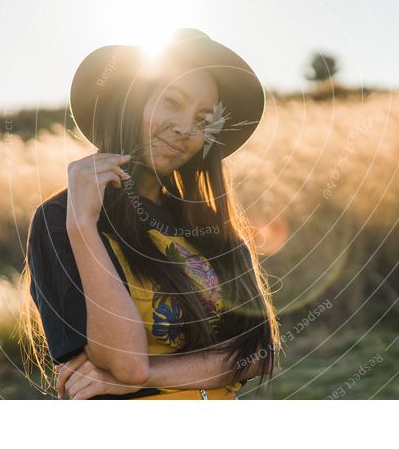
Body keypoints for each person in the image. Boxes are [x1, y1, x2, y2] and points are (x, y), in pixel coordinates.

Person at [20, 28, 281, 399]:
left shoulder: (206, 224)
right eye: (172, 101)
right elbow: (124, 360)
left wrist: (142, 375)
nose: (185, 129)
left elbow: (259, 354)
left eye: (204, 121)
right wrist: (82, 226)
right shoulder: (60, 220)